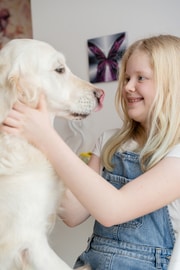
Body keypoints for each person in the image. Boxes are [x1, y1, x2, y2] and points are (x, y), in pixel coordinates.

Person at [1, 34, 180, 270]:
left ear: (171, 85)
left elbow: (112, 209)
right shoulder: (108, 142)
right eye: (126, 77)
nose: (127, 86)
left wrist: (45, 137)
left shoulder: (176, 155)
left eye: (141, 78)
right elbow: (74, 214)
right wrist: (34, 141)